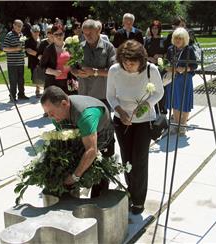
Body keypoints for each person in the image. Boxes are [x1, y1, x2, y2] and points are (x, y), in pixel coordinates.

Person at [106, 40, 164, 214]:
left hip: (144, 122)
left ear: (141, 60)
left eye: (132, 62)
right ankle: (131, 191)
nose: (128, 65)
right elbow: (110, 96)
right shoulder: (114, 70)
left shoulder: (150, 70)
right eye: (125, 62)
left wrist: (146, 105)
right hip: (121, 119)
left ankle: (138, 200)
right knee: (127, 160)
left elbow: (159, 92)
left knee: (139, 161)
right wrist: (119, 111)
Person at [41, 86, 114, 197]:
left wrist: (74, 177)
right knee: (71, 162)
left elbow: (91, 150)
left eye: (51, 113)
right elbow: (63, 141)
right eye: (47, 114)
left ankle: (97, 201)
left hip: (101, 133)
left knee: (98, 173)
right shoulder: (58, 115)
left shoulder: (86, 115)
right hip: (81, 130)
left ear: (64, 104)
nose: (50, 118)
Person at [71, 19, 116, 160]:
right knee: (87, 128)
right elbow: (72, 67)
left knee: (105, 128)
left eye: (90, 33)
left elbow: (113, 71)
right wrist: (76, 73)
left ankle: (108, 156)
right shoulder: (78, 47)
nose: (87, 36)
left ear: (99, 31)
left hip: (102, 95)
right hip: (84, 96)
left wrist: (94, 72)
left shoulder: (108, 48)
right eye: (84, 33)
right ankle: (89, 155)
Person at [165, 27, 197, 136]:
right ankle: (175, 124)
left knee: (184, 102)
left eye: (181, 38)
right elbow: (167, 63)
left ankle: (183, 125)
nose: (178, 40)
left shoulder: (189, 49)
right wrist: (168, 67)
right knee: (175, 102)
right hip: (173, 79)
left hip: (184, 80)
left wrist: (185, 69)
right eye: (176, 38)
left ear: (185, 39)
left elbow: (194, 66)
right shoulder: (170, 49)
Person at [40, 23, 72, 95]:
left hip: (68, 82)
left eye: (60, 34)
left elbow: (76, 63)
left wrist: (72, 67)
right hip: (53, 83)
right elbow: (42, 67)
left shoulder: (70, 46)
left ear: (64, 34)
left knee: (69, 103)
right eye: (56, 34)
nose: (58, 36)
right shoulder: (48, 49)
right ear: (52, 35)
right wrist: (53, 72)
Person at [3, 19, 29, 102]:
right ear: (13, 25)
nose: (19, 28)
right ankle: (12, 96)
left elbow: (22, 47)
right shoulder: (9, 35)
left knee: (21, 80)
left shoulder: (21, 35)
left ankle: (21, 94)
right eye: (18, 26)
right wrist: (16, 49)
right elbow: (4, 48)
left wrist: (23, 50)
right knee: (13, 80)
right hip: (12, 63)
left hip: (21, 62)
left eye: (21, 26)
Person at [144, 20, 166, 114]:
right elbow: (144, 53)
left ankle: (161, 108)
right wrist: (149, 58)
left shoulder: (164, 40)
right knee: (150, 88)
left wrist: (160, 56)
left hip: (160, 67)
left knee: (160, 88)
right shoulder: (147, 40)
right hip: (149, 66)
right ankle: (150, 106)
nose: (154, 30)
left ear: (159, 29)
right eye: (153, 28)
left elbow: (167, 53)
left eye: (156, 28)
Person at [25, 25, 42, 97]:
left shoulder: (41, 39)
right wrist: (38, 55)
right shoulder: (28, 41)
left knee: (43, 75)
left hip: (41, 60)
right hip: (33, 61)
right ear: (31, 32)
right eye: (35, 31)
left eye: (37, 31)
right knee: (35, 76)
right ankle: (37, 89)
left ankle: (42, 88)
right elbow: (28, 51)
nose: (36, 33)